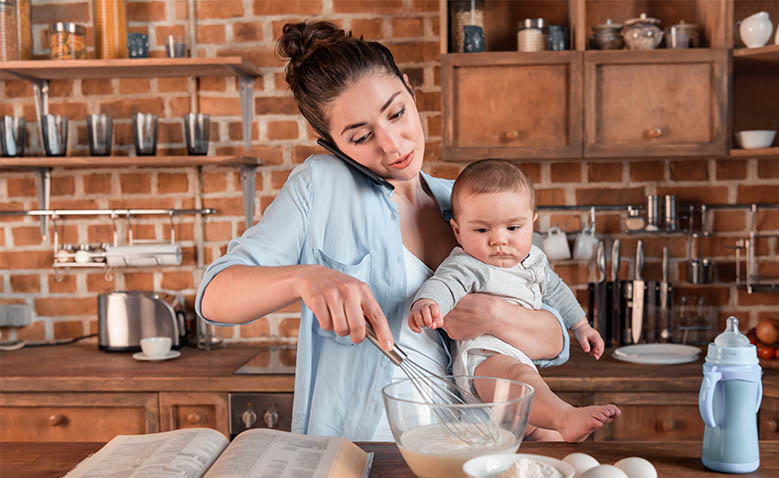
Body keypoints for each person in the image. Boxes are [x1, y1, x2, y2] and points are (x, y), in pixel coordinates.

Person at [196, 21, 571, 441]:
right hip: (363, 452)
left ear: (411, 91)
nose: (393, 144)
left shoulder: (465, 204)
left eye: (397, 113)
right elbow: (214, 296)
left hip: (474, 447)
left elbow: (554, 337)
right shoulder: (320, 187)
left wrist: (495, 315)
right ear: (333, 144)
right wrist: (304, 278)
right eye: (361, 136)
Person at [409, 159, 620, 441]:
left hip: (520, 358)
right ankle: (564, 416)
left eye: (512, 228)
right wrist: (427, 303)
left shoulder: (535, 260)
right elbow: (445, 285)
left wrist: (581, 325)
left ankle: (563, 453)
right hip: (484, 358)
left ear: (532, 222)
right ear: (457, 230)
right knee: (520, 377)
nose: (499, 240)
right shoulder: (468, 263)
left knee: (543, 431)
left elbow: (557, 291)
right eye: (482, 230)